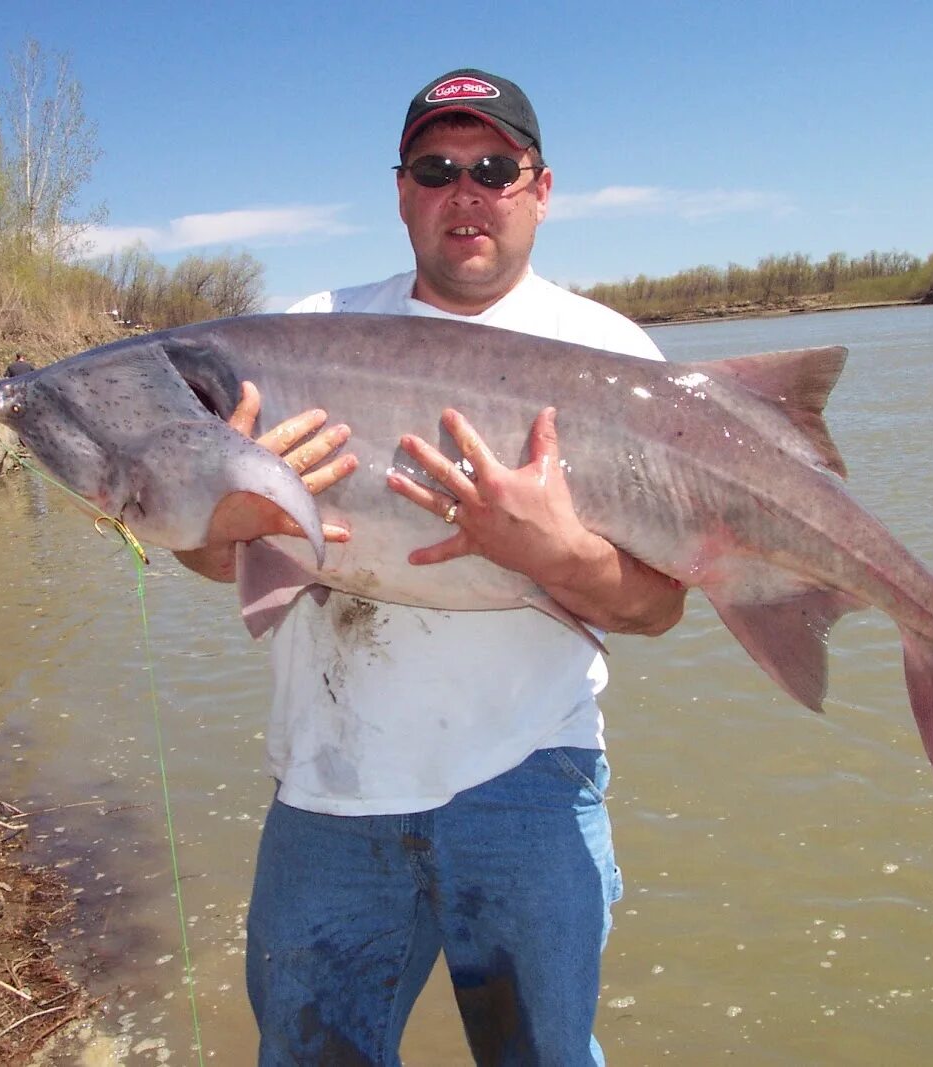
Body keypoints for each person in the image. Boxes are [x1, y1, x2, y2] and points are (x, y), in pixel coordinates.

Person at [176, 69, 687, 1063]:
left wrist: (554, 551)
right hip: (329, 790)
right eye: (437, 167)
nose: (467, 190)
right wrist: (223, 521)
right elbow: (214, 555)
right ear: (401, 188)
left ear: (540, 188)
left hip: (528, 781)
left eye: (494, 167)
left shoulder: (612, 351)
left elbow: (656, 607)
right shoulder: (300, 334)